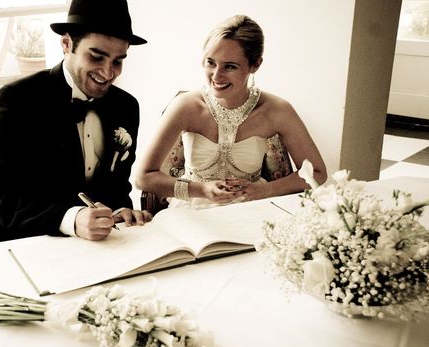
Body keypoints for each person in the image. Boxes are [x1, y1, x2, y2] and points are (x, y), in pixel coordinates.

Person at [0, 0, 152, 243]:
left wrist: (120, 210)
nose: (108, 73)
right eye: (96, 57)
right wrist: (71, 219)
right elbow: (0, 203)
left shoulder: (126, 106)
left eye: (118, 61)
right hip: (24, 243)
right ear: (67, 43)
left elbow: (117, 186)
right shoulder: (15, 101)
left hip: (102, 247)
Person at [136, 15, 327, 209]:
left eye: (230, 66)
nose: (217, 76)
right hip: (193, 210)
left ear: (255, 65)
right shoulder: (185, 106)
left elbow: (317, 173)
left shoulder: (277, 110)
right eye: (211, 63)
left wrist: (265, 190)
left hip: (251, 207)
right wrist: (201, 190)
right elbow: (143, 178)